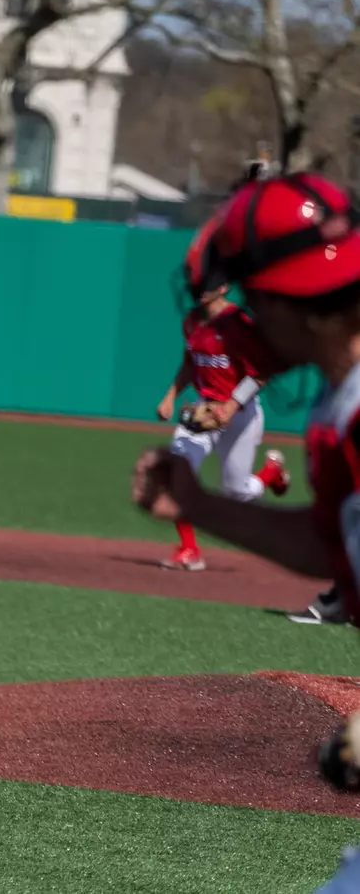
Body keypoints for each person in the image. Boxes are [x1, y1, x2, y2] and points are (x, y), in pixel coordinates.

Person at [130, 173, 360, 892]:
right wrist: (199, 507)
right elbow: (335, 549)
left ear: (293, 302)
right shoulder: (337, 400)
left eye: (252, 298)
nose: (244, 317)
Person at [152, 218, 290, 572]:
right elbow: (190, 361)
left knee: (235, 492)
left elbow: (261, 373)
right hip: (202, 411)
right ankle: (189, 551)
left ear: (225, 287)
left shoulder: (239, 326)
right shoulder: (193, 321)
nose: (199, 289)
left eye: (207, 283)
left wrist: (231, 405)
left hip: (239, 413)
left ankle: (270, 475)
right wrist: (170, 395)